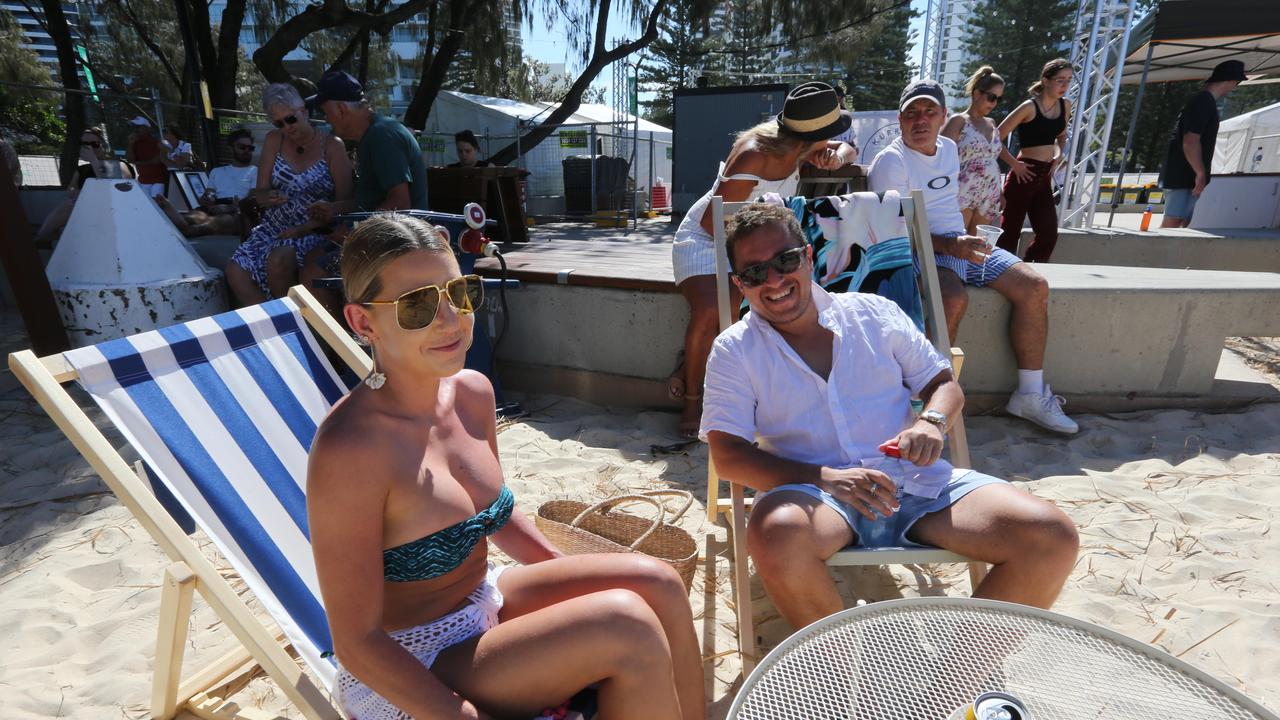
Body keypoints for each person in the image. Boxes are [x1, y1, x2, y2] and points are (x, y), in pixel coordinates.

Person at [309, 214, 704, 720]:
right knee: (625, 624)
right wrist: (459, 715)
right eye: (418, 305)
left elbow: (492, 516)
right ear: (363, 322)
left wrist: (573, 578)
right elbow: (357, 641)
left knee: (658, 582)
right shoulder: (352, 449)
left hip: (484, 601)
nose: (450, 319)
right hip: (413, 663)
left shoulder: (472, 393)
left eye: (460, 291)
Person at [701, 202, 1079, 631]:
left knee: (1052, 536)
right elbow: (728, 456)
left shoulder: (874, 314)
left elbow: (944, 386)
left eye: (785, 260)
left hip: (915, 483)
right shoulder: (735, 350)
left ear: (807, 257)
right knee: (775, 536)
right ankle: (842, 677)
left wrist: (930, 423)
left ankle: (955, 682)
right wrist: (824, 477)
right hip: (815, 497)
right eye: (754, 273)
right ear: (740, 284)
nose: (773, 280)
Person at [868, 79, 1077, 434]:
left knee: (1034, 285)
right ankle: (924, 403)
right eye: (911, 113)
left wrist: (975, 230)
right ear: (900, 120)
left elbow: (947, 203)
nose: (921, 120)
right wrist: (953, 246)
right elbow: (892, 232)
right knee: (951, 297)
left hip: (959, 242)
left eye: (929, 112)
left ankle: (1029, 394)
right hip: (919, 247)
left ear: (943, 116)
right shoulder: (891, 161)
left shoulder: (948, 148)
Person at [670, 81, 857, 437]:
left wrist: (837, 155)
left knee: (762, 299)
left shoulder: (799, 146)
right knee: (716, 309)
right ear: (808, 137)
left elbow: (848, 148)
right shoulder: (756, 152)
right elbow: (713, 222)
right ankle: (693, 399)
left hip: (752, 243)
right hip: (707, 238)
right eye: (827, 136)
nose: (831, 140)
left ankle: (691, 368)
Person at [225, 83, 352, 306]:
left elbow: (348, 202)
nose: (287, 127)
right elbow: (259, 192)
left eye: (290, 119)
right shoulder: (275, 140)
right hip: (274, 228)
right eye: (279, 123)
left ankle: (294, 326)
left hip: (313, 230)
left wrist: (324, 211)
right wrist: (267, 197)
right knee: (235, 271)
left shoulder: (331, 146)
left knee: (279, 261)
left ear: (303, 111)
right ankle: (273, 323)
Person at [307, 70, 427, 215]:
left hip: (402, 236)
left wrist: (351, 232)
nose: (326, 119)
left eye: (325, 112)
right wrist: (335, 208)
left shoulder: (382, 137)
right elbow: (371, 202)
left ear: (341, 109)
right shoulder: (372, 135)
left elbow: (399, 204)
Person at [994, 58, 1073, 262]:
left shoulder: (1066, 106)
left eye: (1069, 80)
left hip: (1044, 176)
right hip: (1024, 174)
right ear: (1045, 80)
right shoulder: (1029, 107)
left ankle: (1030, 271)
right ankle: (1003, 273)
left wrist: (1058, 155)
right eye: (1060, 80)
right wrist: (1014, 164)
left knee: (1048, 233)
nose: (1064, 85)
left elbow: (1062, 135)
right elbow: (995, 137)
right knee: (1009, 234)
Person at [1160, 59, 1247, 228]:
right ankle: (1153, 254)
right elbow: (1190, 140)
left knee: (1183, 222)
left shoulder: (1204, 102)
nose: (1234, 86)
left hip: (1184, 174)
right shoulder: (1203, 102)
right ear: (1230, 80)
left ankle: (1167, 253)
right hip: (1183, 174)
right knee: (1174, 221)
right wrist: (1200, 172)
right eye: (1236, 82)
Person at [36, 126, 137, 244]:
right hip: (84, 211)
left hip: (110, 213)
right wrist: (76, 192)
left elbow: (117, 191)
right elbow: (71, 190)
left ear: (104, 146)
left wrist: (94, 161)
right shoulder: (82, 169)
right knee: (54, 230)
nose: (89, 147)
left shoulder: (119, 165)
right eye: (84, 144)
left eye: (94, 144)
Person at [156, 129, 257, 237]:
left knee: (218, 221)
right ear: (231, 148)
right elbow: (208, 194)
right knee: (195, 217)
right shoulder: (217, 171)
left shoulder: (256, 171)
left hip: (237, 210)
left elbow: (252, 200)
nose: (247, 150)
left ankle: (183, 226)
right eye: (242, 147)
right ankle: (183, 223)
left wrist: (229, 208)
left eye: (250, 148)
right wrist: (205, 199)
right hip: (214, 207)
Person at [941, 66, 1005, 235]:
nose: (994, 103)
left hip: (990, 192)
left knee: (978, 248)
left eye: (998, 99)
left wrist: (1000, 192)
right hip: (962, 189)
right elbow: (940, 158)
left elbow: (993, 160)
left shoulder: (991, 123)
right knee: (958, 243)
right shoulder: (958, 121)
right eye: (991, 97)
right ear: (977, 94)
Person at [126, 116, 168, 197]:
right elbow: (130, 160)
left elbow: (156, 161)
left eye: (139, 127)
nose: (136, 129)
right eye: (134, 127)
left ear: (148, 128)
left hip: (159, 181)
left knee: (157, 205)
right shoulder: (135, 143)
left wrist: (137, 162)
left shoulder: (158, 142)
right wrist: (130, 144)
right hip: (143, 181)